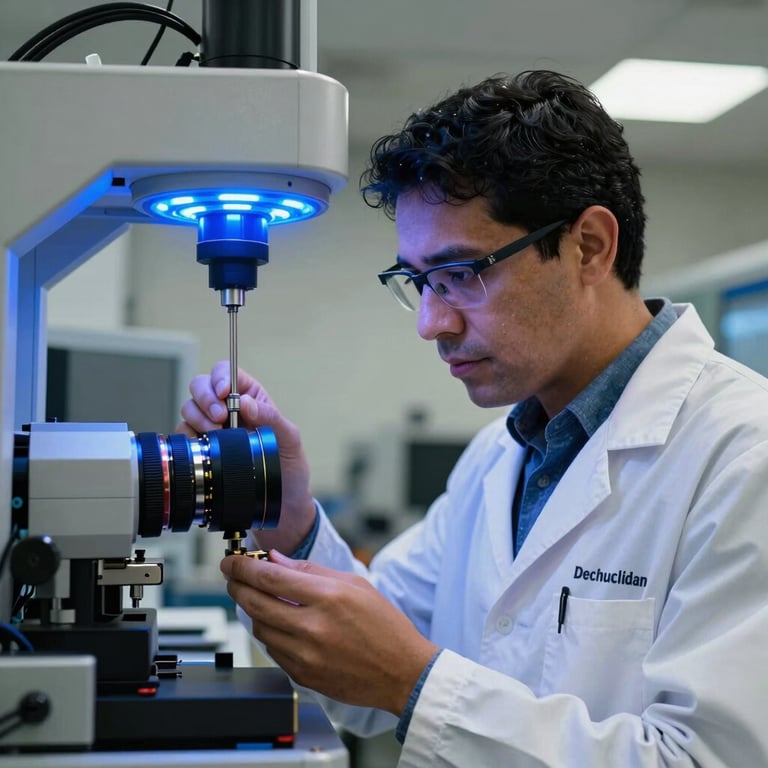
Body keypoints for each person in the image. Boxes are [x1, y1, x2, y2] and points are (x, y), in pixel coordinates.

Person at [178, 70, 768, 766]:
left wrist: (416, 684)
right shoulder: (498, 456)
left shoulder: (742, 456)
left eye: (462, 274)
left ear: (588, 246)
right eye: (419, 281)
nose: (431, 323)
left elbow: (705, 758)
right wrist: (288, 514)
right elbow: (367, 660)